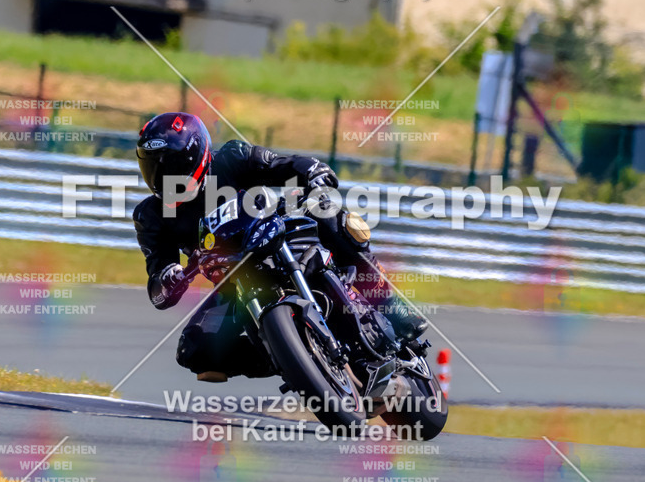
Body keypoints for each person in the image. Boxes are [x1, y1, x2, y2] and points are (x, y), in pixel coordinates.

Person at [132, 112, 427, 382]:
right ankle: (288, 359)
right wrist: (167, 276)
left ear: (195, 154)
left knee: (326, 211)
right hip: (234, 283)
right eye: (152, 165)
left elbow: (279, 165)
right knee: (194, 350)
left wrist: (312, 172)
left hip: (277, 235)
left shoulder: (231, 158)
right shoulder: (150, 216)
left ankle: (389, 302)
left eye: (169, 163)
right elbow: (158, 288)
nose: (162, 175)